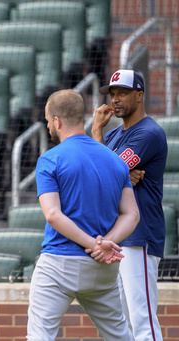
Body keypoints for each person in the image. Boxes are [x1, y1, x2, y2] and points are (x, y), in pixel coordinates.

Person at [27, 89, 140, 341]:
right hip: (104, 269)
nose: (48, 126)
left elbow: (53, 215)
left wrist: (94, 244)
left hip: (59, 264)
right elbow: (132, 214)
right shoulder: (116, 161)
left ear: (57, 121)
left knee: (39, 336)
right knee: (121, 336)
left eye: (47, 121)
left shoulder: (49, 159)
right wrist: (105, 244)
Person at [92, 69, 167, 341]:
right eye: (112, 94)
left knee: (141, 319)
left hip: (140, 235)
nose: (115, 99)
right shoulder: (111, 136)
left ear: (140, 95)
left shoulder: (148, 132)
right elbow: (93, 173)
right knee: (121, 323)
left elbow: (105, 172)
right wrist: (98, 130)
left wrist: (115, 174)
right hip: (118, 237)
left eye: (122, 92)